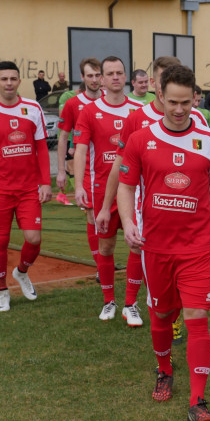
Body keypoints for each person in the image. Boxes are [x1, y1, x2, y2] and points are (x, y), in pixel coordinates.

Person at [116, 64, 210, 421]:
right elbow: (126, 186)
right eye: (172, 102)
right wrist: (129, 222)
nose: (179, 110)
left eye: (186, 102)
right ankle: (164, 369)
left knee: (196, 316)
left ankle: (198, 399)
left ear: (195, 98)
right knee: (163, 314)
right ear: (160, 97)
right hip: (156, 247)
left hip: (197, 247)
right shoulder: (141, 139)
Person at [0, 61, 52, 312]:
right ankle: (2, 290)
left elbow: (41, 148)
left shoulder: (33, 108)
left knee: (33, 238)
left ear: (19, 81)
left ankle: (21, 272)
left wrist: (45, 182)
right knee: (1, 243)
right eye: (3, 79)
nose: (8, 83)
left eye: (13, 79)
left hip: (28, 188)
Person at [73, 56, 146, 325]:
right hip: (101, 189)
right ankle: (108, 301)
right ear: (101, 79)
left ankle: (131, 303)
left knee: (137, 245)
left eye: (119, 72)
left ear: (125, 77)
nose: (115, 77)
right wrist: (79, 185)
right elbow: (80, 150)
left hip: (134, 191)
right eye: (110, 73)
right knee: (106, 247)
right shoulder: (89, 111)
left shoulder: (139, 110)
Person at [56, 57, 103, 209]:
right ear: (82, 77)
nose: (94, 80)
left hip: (109, 167)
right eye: (90, 76)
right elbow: (62, 138)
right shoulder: (73, 104)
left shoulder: (110, 99)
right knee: (90, 213)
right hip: (85, 169)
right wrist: (61, 171)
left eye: (97, 75)